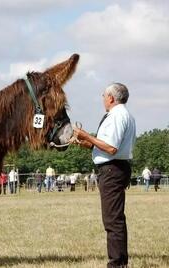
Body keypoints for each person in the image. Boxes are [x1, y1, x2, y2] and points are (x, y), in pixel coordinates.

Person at [73, 83, 136, 268]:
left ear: (111, 98)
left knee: (112, 220)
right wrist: (83, 142)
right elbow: (104, 147)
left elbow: (111, 147)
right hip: (117, 167)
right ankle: (121, 261)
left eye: (103, 95)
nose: (102, 99)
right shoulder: (125, 115)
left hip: (111, 170)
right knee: (116, 218)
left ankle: (116, 263)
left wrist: (86, 135)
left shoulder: (117, 116)